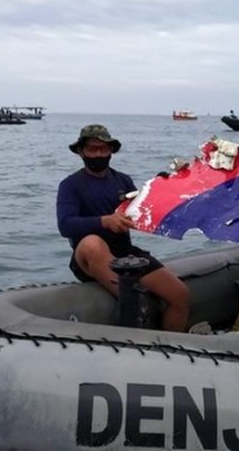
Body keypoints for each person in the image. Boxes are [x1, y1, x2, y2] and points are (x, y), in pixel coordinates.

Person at [56, 124, 190, 332]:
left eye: (103, 149)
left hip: (125, 253)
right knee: (92, 243)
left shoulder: (123, 180)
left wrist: (164, 187)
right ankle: (133, 300)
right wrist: (105, 222)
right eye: (92, 149)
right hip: (88, 256)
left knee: (180, 295)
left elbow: (142, 209)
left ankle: (169, 344)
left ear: (111, 151)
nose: (98, 154)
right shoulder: (70, 185)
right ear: (81, 152)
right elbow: (65, 225)